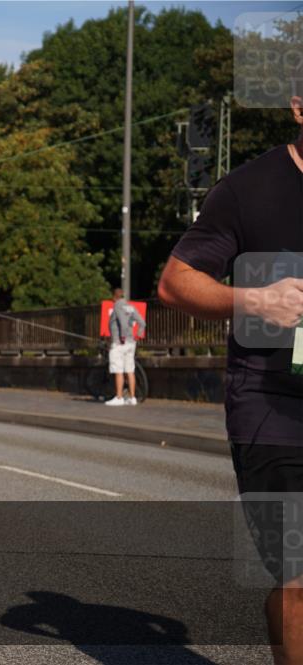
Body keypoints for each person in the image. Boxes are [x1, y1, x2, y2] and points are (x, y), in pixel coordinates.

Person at [158, 95, 303, 665]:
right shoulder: (249, 188)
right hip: (270, 405)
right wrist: (254, 300)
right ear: (298, 106)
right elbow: (176, 282)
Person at [105, 287, 146, 406]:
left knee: (118, 370)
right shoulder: (130, 307)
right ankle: (132, 398)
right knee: (130, 370)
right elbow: (142, 323)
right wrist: (137, 335)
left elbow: (122, 322)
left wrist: (122, 337)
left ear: (114, 297)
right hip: (131, 343)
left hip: (119, 343)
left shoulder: (117, 305)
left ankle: (119, 397)